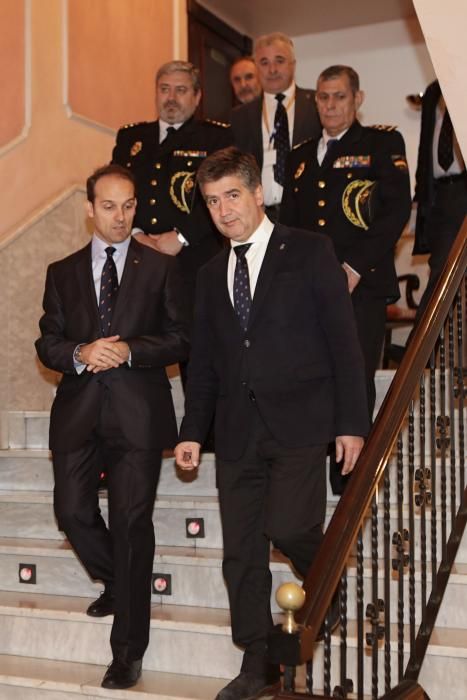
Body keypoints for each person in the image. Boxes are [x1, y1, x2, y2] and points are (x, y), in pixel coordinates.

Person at [174, 147, 369, 700]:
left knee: (289, 527)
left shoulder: (310, 251)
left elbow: (344, 345)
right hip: (236, 432)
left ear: (258, 193)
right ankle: (256, 659)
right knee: (240, 553)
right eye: (212, 201)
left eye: (232, 195)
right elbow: (206, 363)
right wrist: (191, 430)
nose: (224, 211)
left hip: (301, 422)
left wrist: (351, 423)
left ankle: (327, 588)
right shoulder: (211, 274)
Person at [35, 164, 189, 690]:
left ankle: (127, 651)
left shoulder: (161, 268)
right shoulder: (62, 271)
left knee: (130, 523)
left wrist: (128, 350)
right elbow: (46, 342)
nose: (120, 217)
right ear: (89, 208)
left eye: (128, 206)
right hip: (78, 414)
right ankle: (124, 584)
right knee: (71, 512)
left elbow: (179, 338)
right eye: (108, 206)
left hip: (137, 417)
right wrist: (79, 352)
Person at [280, 65, 411, 459]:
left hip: (362, 286)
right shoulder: (301, 155)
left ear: (358, 99)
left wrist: (353, 268)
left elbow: (395, 211)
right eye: (323, 97)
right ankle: (319, 459)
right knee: (315, 376)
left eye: (339, 96)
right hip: (310, 290)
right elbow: (289, 224)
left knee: (355, 377)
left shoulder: (382, 143)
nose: (331, 105)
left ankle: (351, 478)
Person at [112, 60, 233, 301]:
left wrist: (180, 237)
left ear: (197, 97)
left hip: (193, 258)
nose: (171, 97)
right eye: (164, 89)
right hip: (137, 255)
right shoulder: (131, 137)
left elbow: (222, 195)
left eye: (181, 90)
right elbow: (115, 192)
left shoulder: (215, 137)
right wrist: (136, 234)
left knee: (192, 334)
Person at [230, 33, 321, 221]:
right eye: (264, 62)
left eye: (279, 61)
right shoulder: (239, 116)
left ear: (293, 65)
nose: (272, 69)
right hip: (258, 217)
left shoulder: (317, 104)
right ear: (257, 68)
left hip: (307, 215)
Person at [412, 79, 466, 321]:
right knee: (442, 271)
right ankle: (421, 350)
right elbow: (425, 149)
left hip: (462, 185)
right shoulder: (434, 91)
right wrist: (419, 198)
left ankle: (418, 348)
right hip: (440, 194)